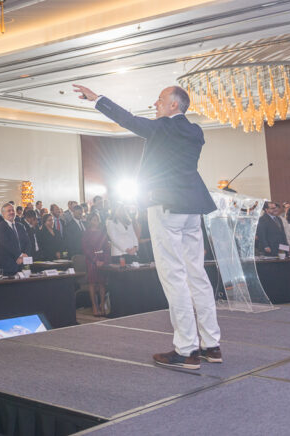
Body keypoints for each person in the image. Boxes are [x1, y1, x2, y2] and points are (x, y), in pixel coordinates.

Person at [75, 83, 221, 370]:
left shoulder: (163, 128)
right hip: (194, 208)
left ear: (174, 106)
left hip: (166, 207)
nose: (155, 103)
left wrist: (98, 99)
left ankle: (186, 350)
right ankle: (211, 345)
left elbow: (127, 120)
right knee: (197, 275)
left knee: (173, 276)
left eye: (161, 100)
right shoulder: (195, 131)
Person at [82, 212, 110, 316]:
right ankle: (94, 306)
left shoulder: (102, 233)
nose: (96, 222)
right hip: (91, 261)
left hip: (102, 259)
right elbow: (86, 248)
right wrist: (95, 260)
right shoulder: (86, 233)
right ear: (89, 221)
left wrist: (104, 261)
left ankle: (102, 305)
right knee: (92, 283)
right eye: (94, 219)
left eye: (97, 219)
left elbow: (107, 248)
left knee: (102, 283)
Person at [0, 203, 31, 276]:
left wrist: (24, 256)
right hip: (8, 266)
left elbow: (28, 243)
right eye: (9, 211)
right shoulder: (0, 227)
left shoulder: (21, 226)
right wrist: (19, 255)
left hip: (22, 264)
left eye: (13, 210)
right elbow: (6, 244)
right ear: (3, 214)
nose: (11, 212)